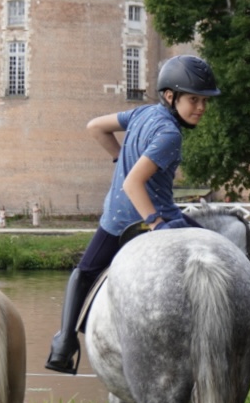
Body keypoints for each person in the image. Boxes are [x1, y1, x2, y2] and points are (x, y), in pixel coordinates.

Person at [44, 54, 220, 374]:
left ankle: (64, 343)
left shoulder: (141, 113)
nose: (201, 108)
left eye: (204, 101)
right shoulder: (170, 134)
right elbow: (133, 182)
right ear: (171, 96)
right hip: (155, 217)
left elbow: (95, 127)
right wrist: (156, 224)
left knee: (83, 273)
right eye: (194, 99)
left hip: (115, 220)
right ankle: (239, 328)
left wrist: (119, 155)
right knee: (219, 249)